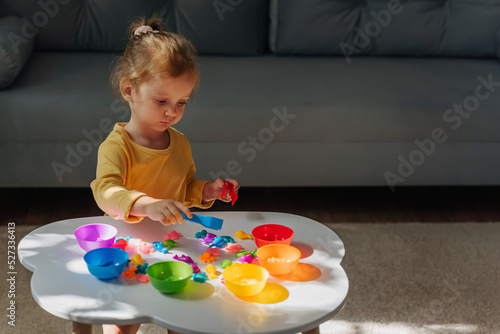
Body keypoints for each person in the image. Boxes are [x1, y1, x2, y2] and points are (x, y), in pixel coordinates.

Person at [90, 16, 239, 334]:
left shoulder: (180, 142)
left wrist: (208, 190)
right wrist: (145, 204)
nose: (172, 111)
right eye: (162, 101)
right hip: (125, 248)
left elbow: (182, 189)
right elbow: (105, 192)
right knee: (124, 324)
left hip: (170, 246)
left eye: (181, 102)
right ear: (129, 89)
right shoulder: (118, 146)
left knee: (183, 317)